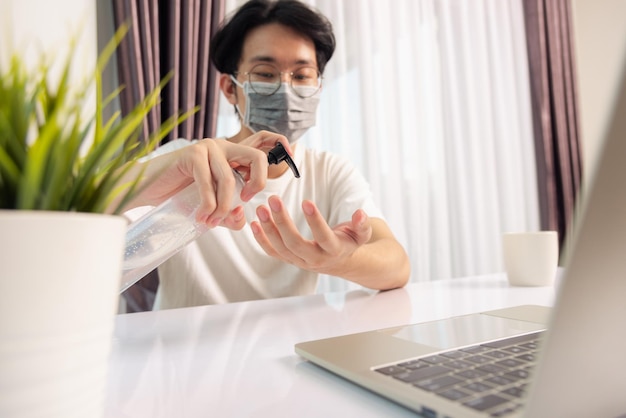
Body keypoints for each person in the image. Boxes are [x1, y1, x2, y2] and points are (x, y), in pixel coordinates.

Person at [153, 0, 410, 309]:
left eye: (301, 76)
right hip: (185, 353)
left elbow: (397, 266)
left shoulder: (328, 172)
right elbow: (94, 209)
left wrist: (335, 260)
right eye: (265, 73)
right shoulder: (185, 161)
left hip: (291, 353)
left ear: (318, 87)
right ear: (230, 88)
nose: (286, 90)